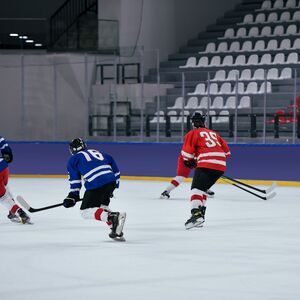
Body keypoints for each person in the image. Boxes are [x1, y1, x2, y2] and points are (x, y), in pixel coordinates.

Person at [63, 138, 126, 241]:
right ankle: (116, 229)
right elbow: (116, 171)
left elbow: (75, 180)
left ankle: (112, 217)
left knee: (85, 211)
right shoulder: (100, 153)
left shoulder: (73, 159)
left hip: (96, 182)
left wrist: (73, 195)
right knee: (102, 206)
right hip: (111, 181)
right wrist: (113, 188)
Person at [180, 113, 231, 229]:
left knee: (196, 190)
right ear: (204, 122)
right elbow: (227, 153)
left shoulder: (192, 133)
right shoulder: (214, 133)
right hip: (221, 165)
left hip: (206, 163)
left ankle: (196, 215)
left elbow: (187, 154)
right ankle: (200, 217)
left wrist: (190, 161)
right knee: (202, 190)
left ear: (193, 123)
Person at [0, 135, 31, 224]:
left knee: (3, 198)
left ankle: (20, 213)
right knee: (5, 189)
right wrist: (7, 153)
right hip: (3, 167)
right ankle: (12, 211)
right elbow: (3, 144)